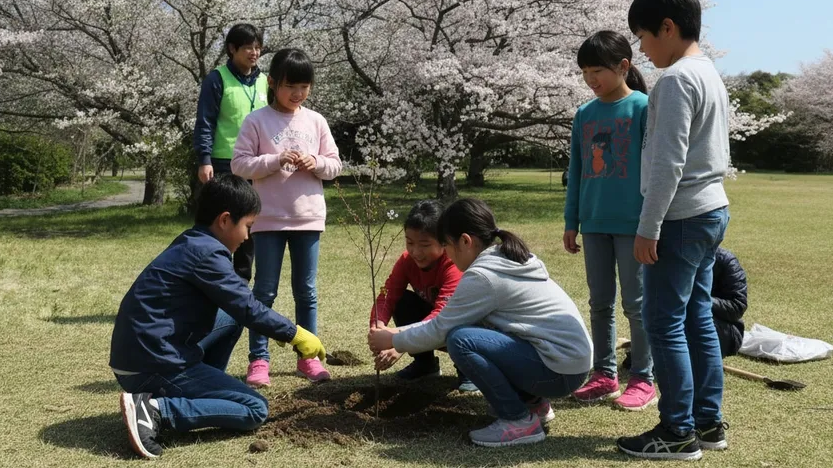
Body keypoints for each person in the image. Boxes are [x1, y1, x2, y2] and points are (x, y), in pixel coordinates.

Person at [109, 175, 326, 459]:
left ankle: (201, 393)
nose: (247, 237)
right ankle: (156, 411)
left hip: (141, 353)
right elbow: (248, 306)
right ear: (225, 220)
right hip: (153, 364)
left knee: (230, 318)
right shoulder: (208, 254)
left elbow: (238, 310)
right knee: (254, 409)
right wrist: (294, 333)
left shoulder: (193, 241)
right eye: (247, 226)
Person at [368, 198, 593, 448]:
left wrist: (393, 340)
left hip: (559, 370)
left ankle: (518, 420)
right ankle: (533, 404)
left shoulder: (483, 276)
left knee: (461, 339)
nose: (448, 256)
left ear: (465, 241)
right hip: (568, 363)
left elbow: (441, 328)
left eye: (447, 245)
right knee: (481, 331)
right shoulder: (502, 256)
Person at [616, 0, 732, 461]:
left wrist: (648, 226)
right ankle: (708, 422)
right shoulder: (709, 72)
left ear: (668, 27)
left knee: (664, 323)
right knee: (696, 318)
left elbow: (668, 163)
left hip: (680, 217)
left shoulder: (678, 79)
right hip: (710, 211)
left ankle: (677, 430)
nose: (641, 49)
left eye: (643, 37)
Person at [231, 48, 342, 387]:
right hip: (268, 220)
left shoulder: (316, 121)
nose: (298, 94)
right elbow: (239, 165)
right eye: (291, 85)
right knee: (264, 292)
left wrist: (316, 163)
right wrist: (274, 160)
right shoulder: (257, 121)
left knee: (305, 292)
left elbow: (335, 165)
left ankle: (308, 358)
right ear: (273, 83)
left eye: (305, 87)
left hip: (308, 219)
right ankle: (259, 360)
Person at [563, 30, 654, 411]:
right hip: (595, 223)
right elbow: (577, 170)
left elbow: (656, 170)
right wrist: (572, 221)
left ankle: (643, 377)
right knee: (600, 302)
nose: (591, 79)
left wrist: (652, 223)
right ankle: (604, 375)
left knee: (637, 303)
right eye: (585, 71)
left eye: (597, 70)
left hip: (634, 224)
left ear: (623, 66)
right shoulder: (584, 114)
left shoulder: (644, 108)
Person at [368, 200, 474, 391]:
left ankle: (468, 370)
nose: (416, 252)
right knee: (402, 301)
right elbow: (387, 294)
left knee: (459, 327)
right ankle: (425, 365)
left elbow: (443, 317)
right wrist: (378, 325)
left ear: (444, 242)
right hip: (431, 326)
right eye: (409, 242)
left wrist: (399, 344)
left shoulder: (453, 266)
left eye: (424, 244)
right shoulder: (407, 261)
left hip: (458, 324)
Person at [192, 23, 268, 285]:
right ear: (232, 49)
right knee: (221, 225)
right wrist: (204, 159)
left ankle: (240, 285)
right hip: (223, 164)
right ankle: (214, 281)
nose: (254, 53)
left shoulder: (264, 81)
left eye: (258, 47)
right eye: (248, 47)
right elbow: (205, 122)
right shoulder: (217, 78)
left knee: (248, 227)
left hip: (255, 165)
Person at [711, 248, 747, 358]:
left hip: (726, 328)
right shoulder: (674, 258)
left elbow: (738, 306)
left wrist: (703, 301)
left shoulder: (726, 260)